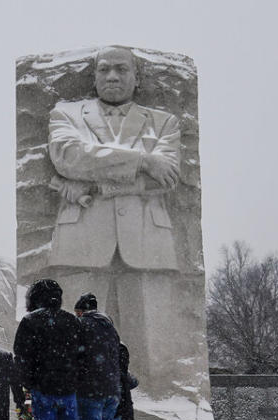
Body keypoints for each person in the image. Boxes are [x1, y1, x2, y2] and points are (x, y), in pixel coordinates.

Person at [47, 45, 182, 389]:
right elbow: (69, 157)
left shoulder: (164, 122)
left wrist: (98, 182)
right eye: (104, 69)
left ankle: (153, 403)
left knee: (152, 353)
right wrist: (142, 161)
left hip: (147, 243)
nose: (112, 76)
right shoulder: (66, 115)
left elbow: (165, 179)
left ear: (138, 78)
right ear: (93, 77)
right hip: (81, 241)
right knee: (72, 346)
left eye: (121, 69)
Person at [13, 279, 82, 420]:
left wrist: (30, 384)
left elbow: (21, 358)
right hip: (69, 392)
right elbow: (82, 356)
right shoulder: (72, 321)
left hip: (44, 391)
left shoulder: (30, 321)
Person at [73, 293, 121, 420]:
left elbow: (75, 358)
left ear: (81, 311)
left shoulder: (82, 325)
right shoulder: (110, 328)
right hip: (111, 390)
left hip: (90, 391)